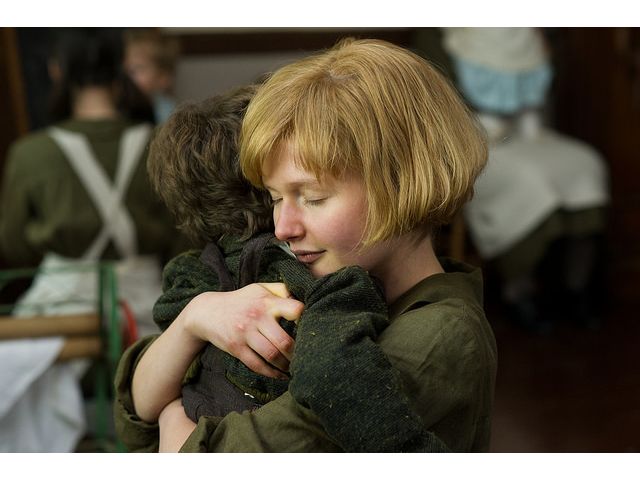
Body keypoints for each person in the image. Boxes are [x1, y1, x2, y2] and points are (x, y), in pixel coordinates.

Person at [114, 38, 497, 452]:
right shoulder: (319, 288)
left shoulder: (438, 335)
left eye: (313, 198)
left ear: (400, 183)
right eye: (275, 198)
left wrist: (170, 415)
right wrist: (195, 315)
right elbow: (134, 407)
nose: (282, 228)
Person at [0, 28, 182, 452]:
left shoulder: (31, 153)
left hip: (56, 319)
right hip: (147, 313)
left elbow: (14, 246)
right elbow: (182, 239)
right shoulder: (160, 144)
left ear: (57, 70)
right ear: (120, 68)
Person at [442, 28, 609, 332]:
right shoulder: (445, 32)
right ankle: (519, 292)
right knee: (531, 182)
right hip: (474, 139)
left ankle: (576, 287)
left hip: (529, 131)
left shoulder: (530, 30)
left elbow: (545, 87)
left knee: (585, 165)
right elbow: (437, 102)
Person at [123, 28, 179, 124]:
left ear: (162, 78)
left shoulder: (168, 113)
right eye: (125, 69)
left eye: (137, 69)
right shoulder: (120, 107)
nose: (127, 76)